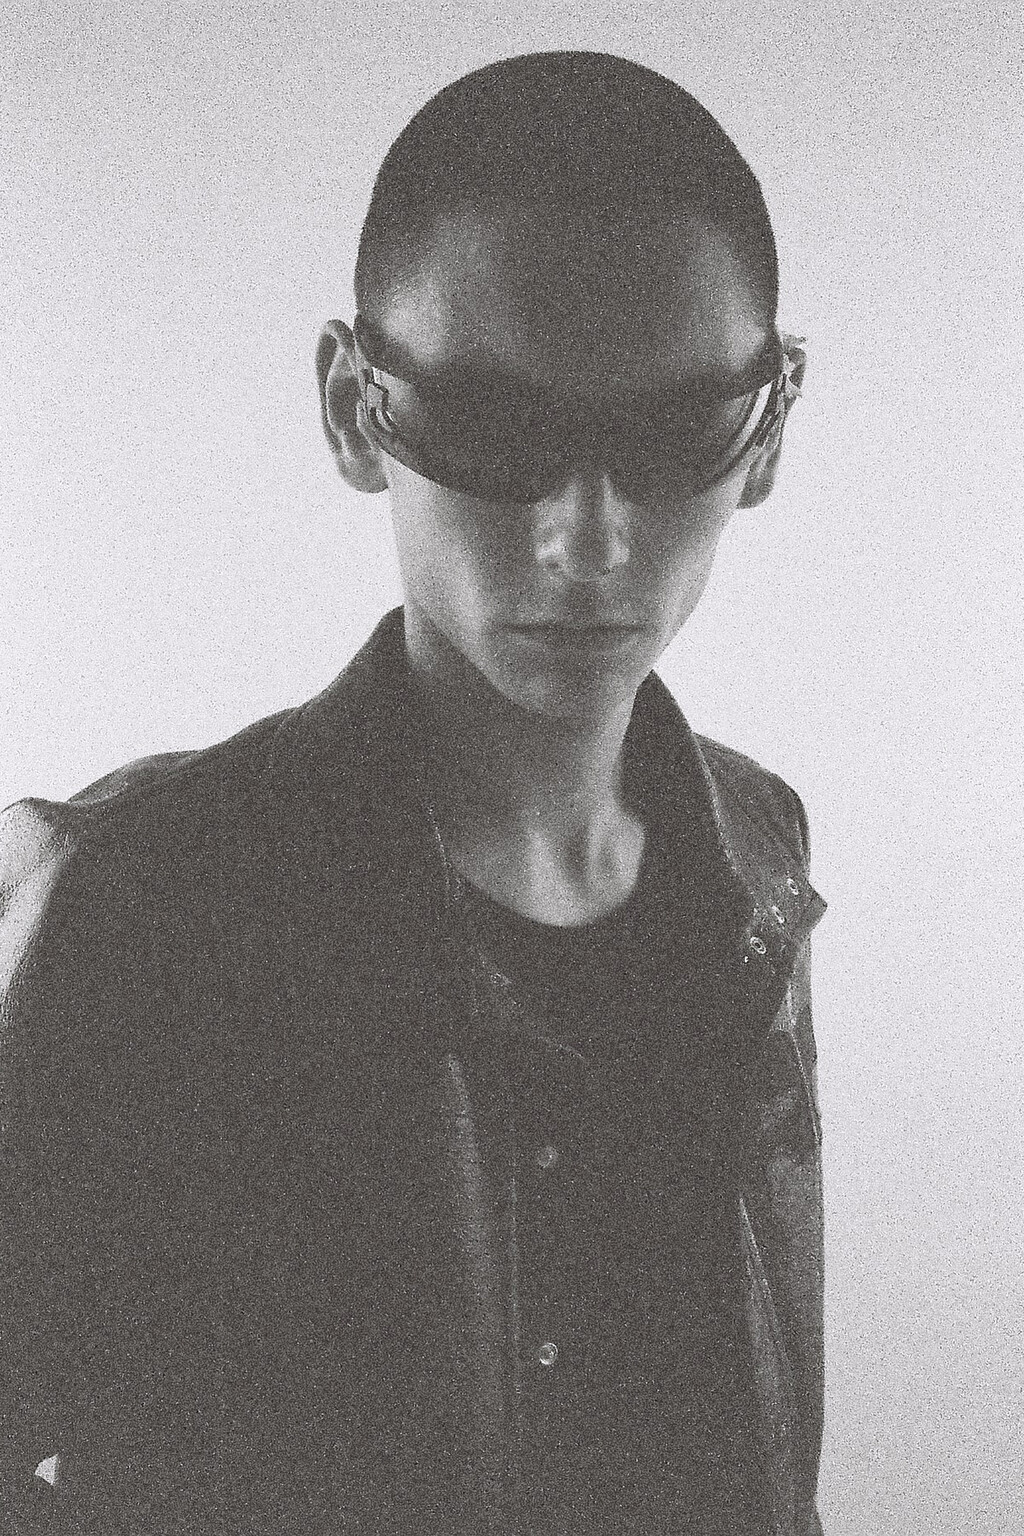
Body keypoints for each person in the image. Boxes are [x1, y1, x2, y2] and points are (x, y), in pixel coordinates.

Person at [0, 50, 826, 1536]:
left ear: (766, 433)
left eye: (671, 435)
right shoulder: (142, 903)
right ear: (350, 407)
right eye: (498, 432)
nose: (587, 537)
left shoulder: (754, 852)